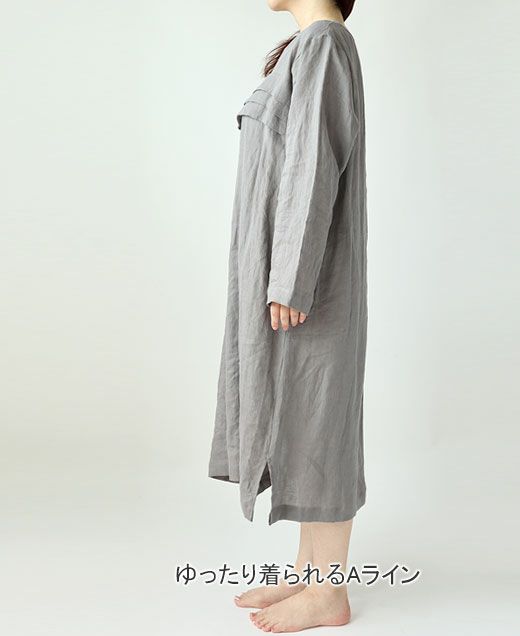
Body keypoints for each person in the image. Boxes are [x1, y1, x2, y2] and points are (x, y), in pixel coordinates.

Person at [208, 0, 367, 631]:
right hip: (279, 269)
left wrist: (293, 278)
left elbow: (314, 159)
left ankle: (330, 592)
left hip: (307, 277)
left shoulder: (325, 41)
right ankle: (307, 574)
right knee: (300, 415)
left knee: (318, 417)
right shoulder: (306, 47)